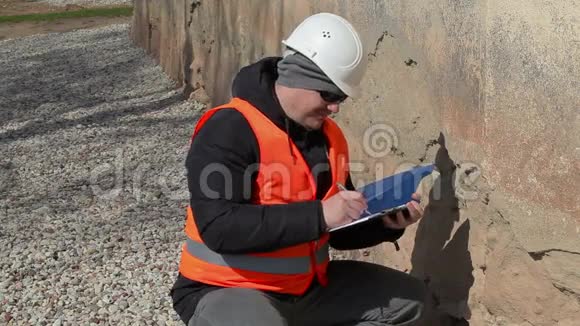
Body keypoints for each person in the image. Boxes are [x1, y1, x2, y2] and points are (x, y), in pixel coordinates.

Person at [171, 12, 429, 326]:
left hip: (305, 289)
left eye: (341, 98)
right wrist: (320, 214)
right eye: (329, 95)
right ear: (298, 79)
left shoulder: (330, 138)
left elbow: (337, 234)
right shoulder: (229, 128)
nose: (335, 107)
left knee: (414, 304)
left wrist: (386, 223)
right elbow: (219, 226)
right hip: (226, 288)